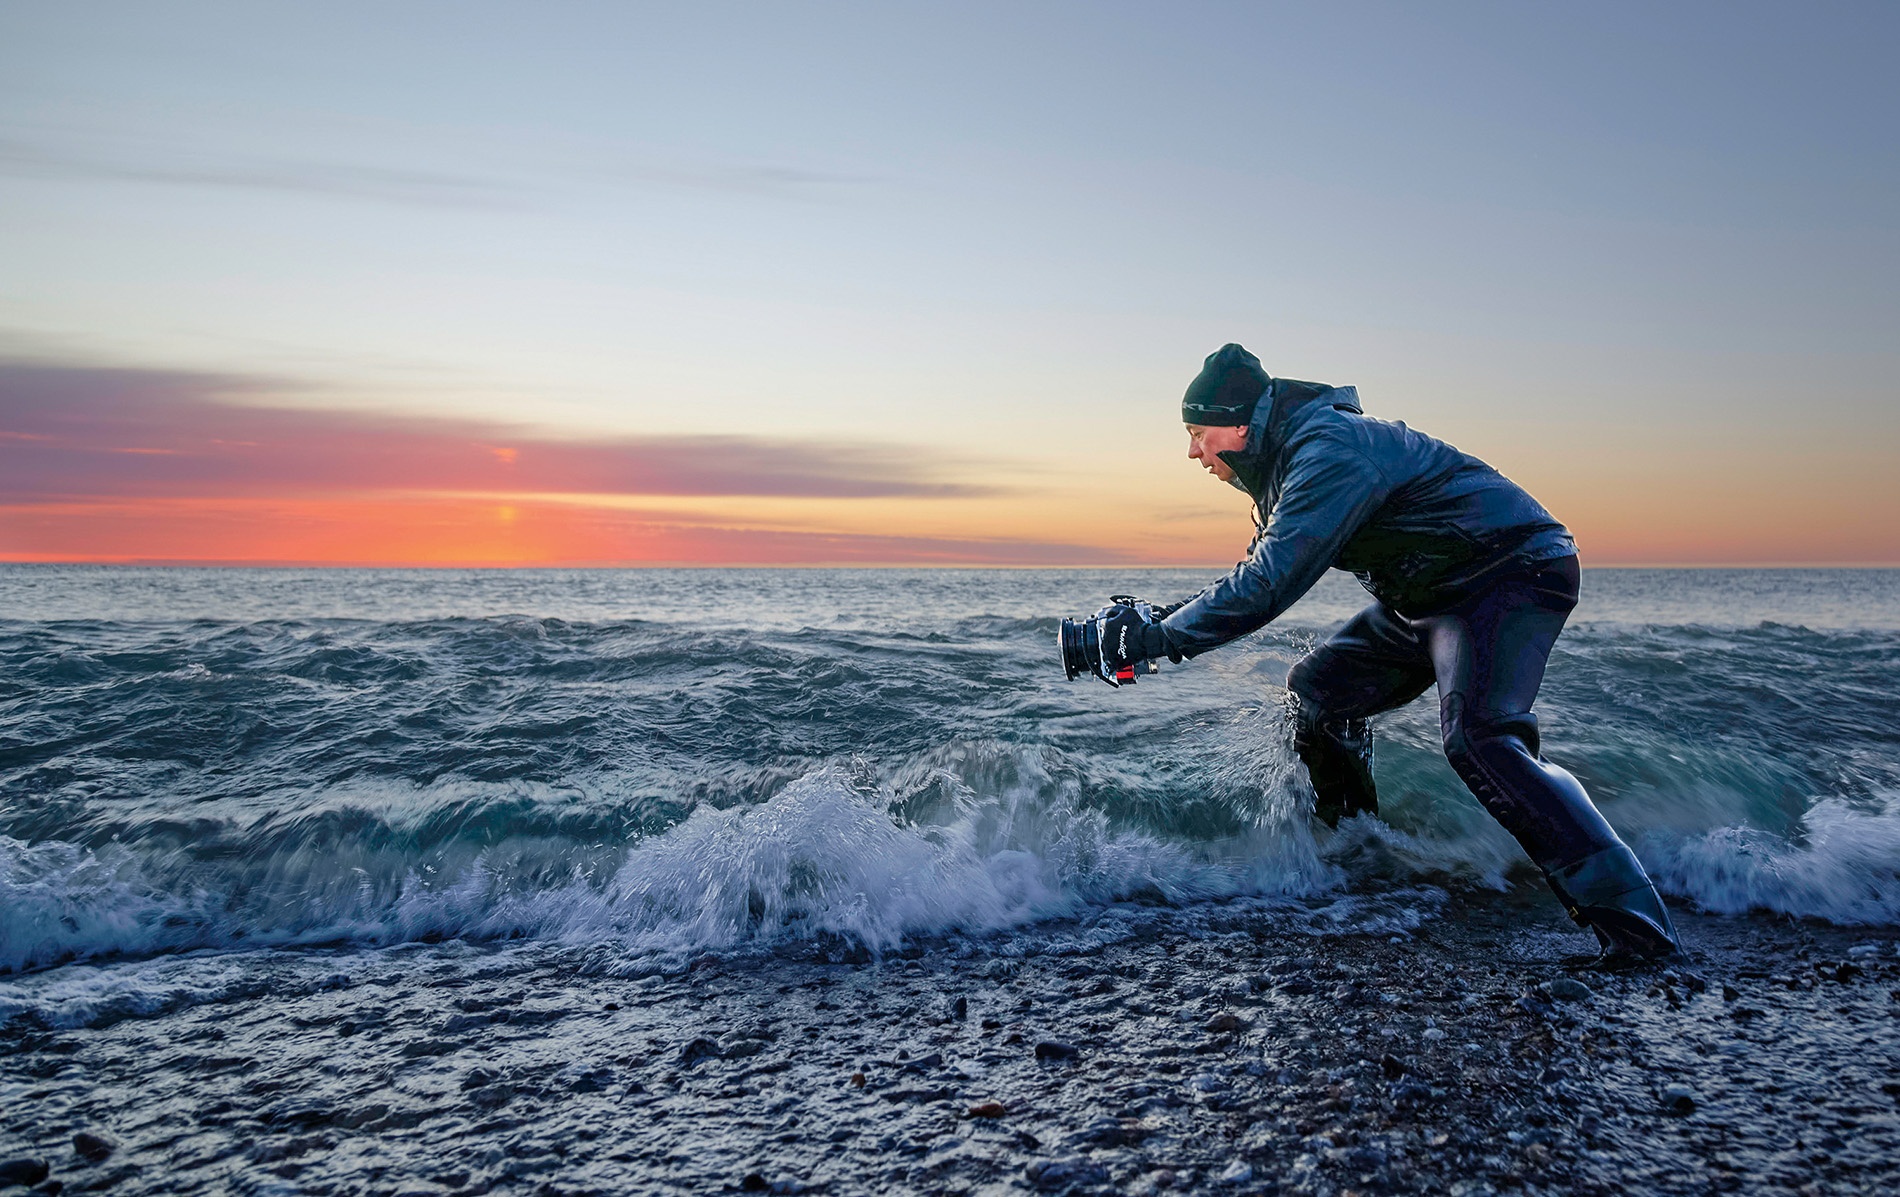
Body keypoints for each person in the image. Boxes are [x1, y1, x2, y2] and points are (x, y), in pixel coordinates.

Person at [1079, 343, 1679, 963]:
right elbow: (1254, 572)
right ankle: (1356, 851)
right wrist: (1159, 623)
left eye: (1198, 434)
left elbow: (1270, 585)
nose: (1192, 452)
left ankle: (1636, 925)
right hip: (1426, 597)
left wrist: (1158, 640)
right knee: (1318, 694)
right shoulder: (1286, 461)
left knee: (1481, 737)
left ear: (1239, 425)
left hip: (1508, 572)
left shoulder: (1328, 452)